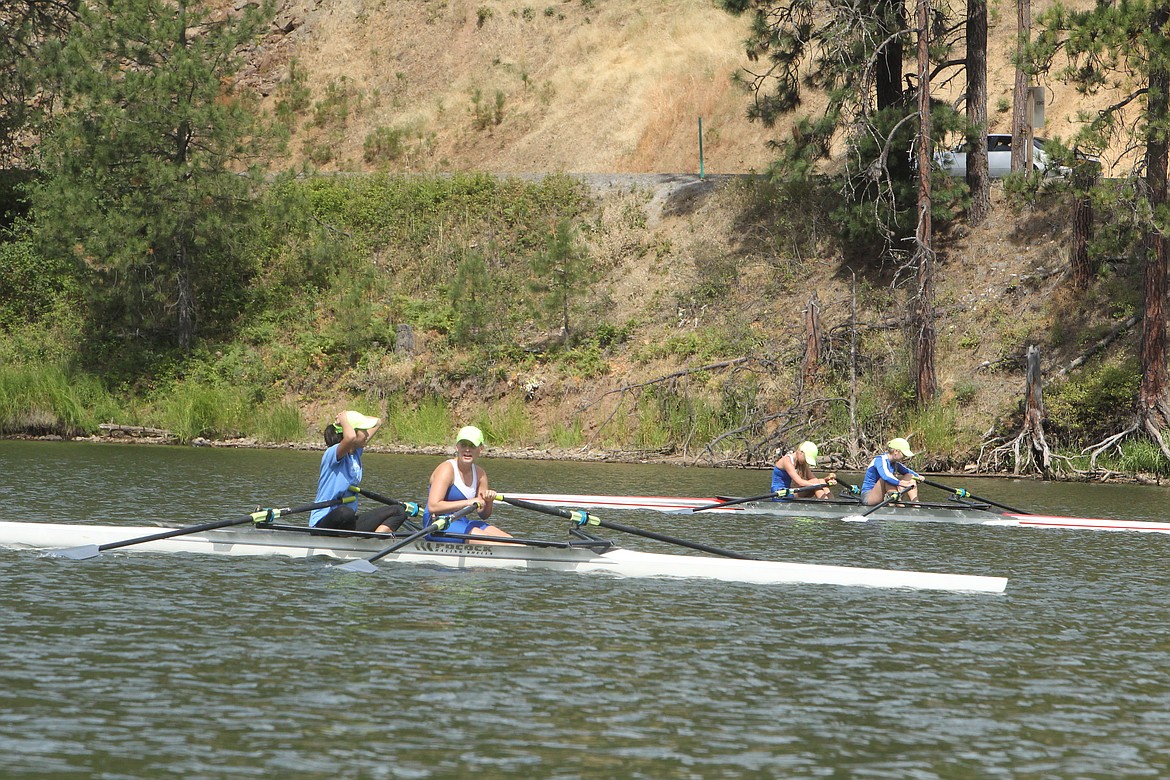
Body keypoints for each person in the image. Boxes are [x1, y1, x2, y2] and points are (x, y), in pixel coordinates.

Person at [310, 410, 406, 533]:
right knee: (345, 512)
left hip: (347, 524)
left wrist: (351, 416)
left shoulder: (355, 452)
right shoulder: (332, 453)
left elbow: (378, 422)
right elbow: (349, 437)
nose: (367, 434)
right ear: (352, 432)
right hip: (324, 521)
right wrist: (344, 419)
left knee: (399, 511)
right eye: (363, 430)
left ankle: (373, 543)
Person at [424, 425, 511, 543]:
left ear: (480, 449)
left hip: (462, 522)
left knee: (513, 541)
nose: (467, 450)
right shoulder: (447, 470)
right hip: (437, 524)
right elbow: (433, 506)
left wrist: (489, 502)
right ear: (457, 447)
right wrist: (468, 502)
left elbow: (483, 514)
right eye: (463, 445)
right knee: (491, 543)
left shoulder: (481, 474)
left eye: (472, 446)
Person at [860, 437, 921, 505]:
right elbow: (886, 476)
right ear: (895, 451)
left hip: (886, 494)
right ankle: (899, 505)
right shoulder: (880, 460)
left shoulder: (894, 463)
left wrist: (918, 477)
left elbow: (908, 471)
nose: (905, 457)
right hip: (868, 496)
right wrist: (902, 483)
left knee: (910, 477)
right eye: (903, 454)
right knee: (886, 479)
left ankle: (916, 507)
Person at [771, 441, 835, 499]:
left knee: (819, 480)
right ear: (800, 452)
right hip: (779, 494)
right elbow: (800, 482)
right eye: (806, 459)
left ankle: (832, 503)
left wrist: (827, 481)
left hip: (790, 492)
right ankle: (827, 504)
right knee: (816, 483)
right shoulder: (787, 460)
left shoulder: (802, 463)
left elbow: (815, 480)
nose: (806, 462)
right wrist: (819, 484)